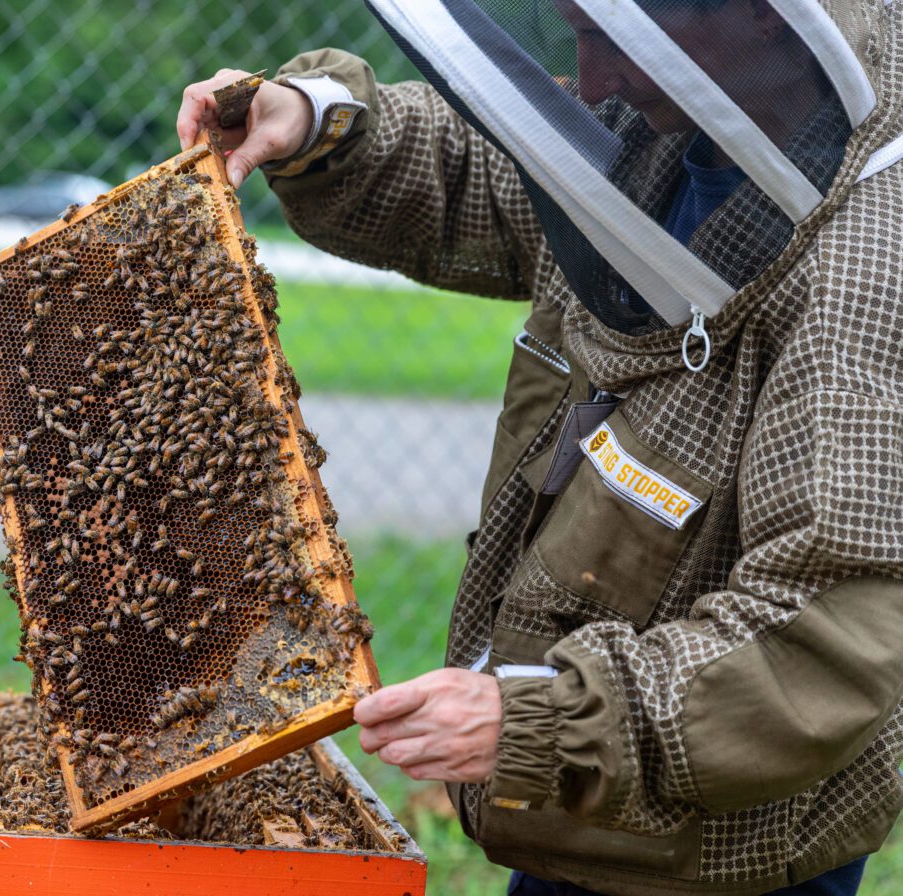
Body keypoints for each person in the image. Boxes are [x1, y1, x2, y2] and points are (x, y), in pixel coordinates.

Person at [178, 1, 903, 894]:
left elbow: (820, 640)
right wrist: (323, 124)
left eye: (607, 39)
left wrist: (545, 722)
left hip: (718, 854)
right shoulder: (683, 125)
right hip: (583, 801)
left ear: (753, 16)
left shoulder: (872, 275)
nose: (593, 78)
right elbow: (498, 168)